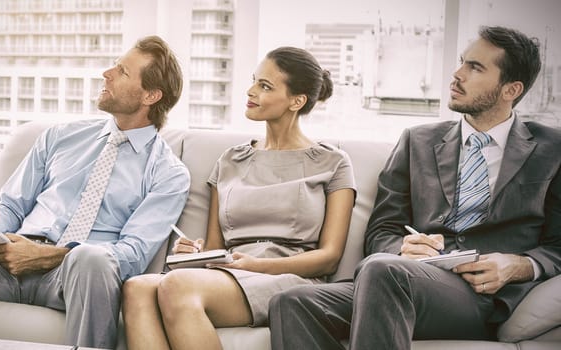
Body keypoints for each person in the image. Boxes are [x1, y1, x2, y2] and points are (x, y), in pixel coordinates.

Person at [0, 35, 190, 349]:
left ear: (151, 95)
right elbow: (12, 205)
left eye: (122, 71)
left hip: (71, 275)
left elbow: (132, 255)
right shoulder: (61, 135)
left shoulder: (168, 174)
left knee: (92, 259)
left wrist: (46, 257)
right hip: (6, 259)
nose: (106, 73)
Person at [268, 26, 561, 350]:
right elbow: (382, 230)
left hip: (485, 296)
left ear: (511, 89)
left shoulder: (552, 150)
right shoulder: (417, 141)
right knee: (290, 303)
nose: (457, 74)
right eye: (462, 62)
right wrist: (402, 247)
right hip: (403, 278)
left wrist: (518, 266)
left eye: (475, 67)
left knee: (383, 272)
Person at [122, 46, 357, 350]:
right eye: (254, 81)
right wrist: (195, 252)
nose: (251, 91)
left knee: (177, 287)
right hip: (230, 270)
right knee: (137, 288)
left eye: (265, 86)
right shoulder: (231, 159)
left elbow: (329, 257)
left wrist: (258, 267)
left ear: (296, 101)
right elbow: (217, 247)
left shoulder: (333, 162)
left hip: (287, 275)